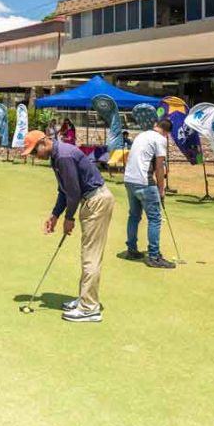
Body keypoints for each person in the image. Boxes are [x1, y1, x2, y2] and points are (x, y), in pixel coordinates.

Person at [21, 129, 115, 323]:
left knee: (91, 256)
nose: (34, 156)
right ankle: (85, 298)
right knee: (87, 254)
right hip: (91, 201)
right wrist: (56, 214)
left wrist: (69, 218)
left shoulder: (63, 156)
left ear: (44, 142)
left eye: (33, 151)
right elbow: (64, 190)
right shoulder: (56, 157)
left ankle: (90, 308)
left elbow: (73, 191)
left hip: (96, 201)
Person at [122, 119, 176, 269]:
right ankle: (154, 256)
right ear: (167, 133)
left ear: (155, 126)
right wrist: (161, 190)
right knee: (155, 219)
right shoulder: (161, 139)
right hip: (144, 181)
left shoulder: (142, 135)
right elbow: (159, 168)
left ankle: (131, 250)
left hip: (129, 180)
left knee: (134, 216)